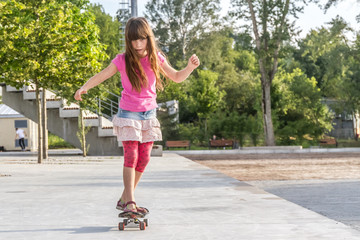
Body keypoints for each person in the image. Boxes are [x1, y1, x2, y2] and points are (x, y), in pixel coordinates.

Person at [74, 17, 200, 217]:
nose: (138, 44)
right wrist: (84, 87)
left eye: (142, 39)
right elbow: (103, 74)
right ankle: (130, 201)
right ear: (128, 41)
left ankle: (125, 198)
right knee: (131, 156)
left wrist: (190, 68)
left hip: (149, 113)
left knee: (145, 158)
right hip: (129, 113)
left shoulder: (156, 58)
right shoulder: (122, 60)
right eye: (134, 40)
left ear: (148, 38)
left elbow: (176, 77)